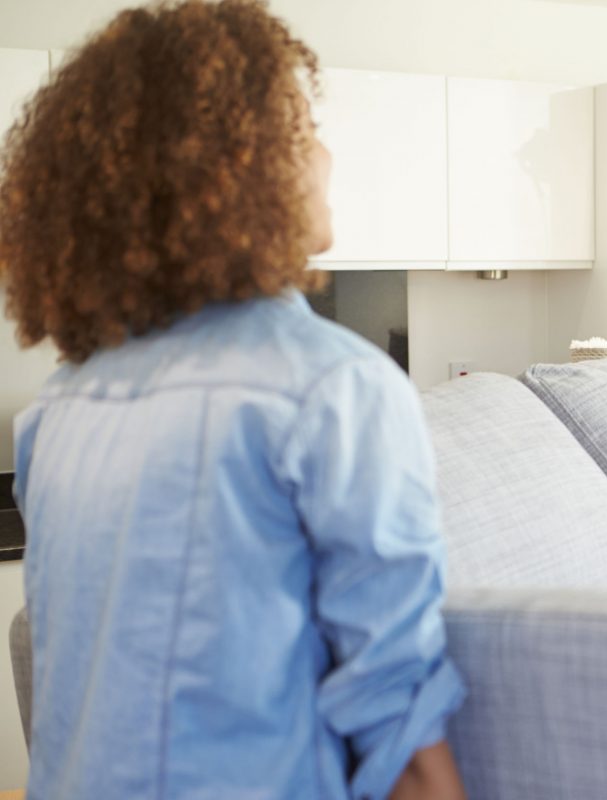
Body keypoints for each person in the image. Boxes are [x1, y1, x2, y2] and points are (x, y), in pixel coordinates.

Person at [0, 1, 467, 797]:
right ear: (232, 166)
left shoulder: (57, 409)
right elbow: (404, 745)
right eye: (299, 126)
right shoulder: (335, 389)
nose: (323, 152)